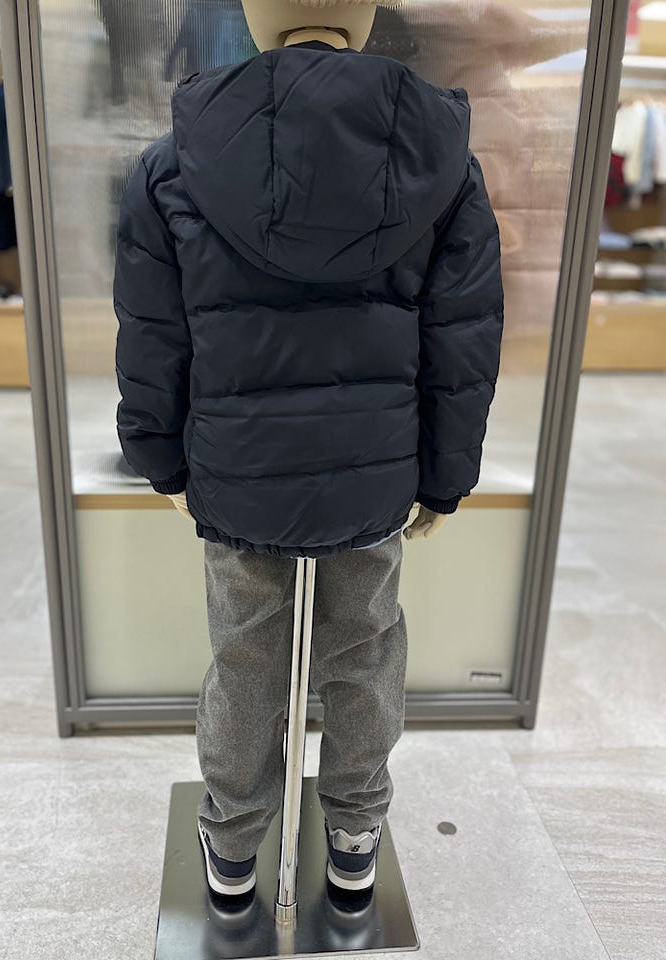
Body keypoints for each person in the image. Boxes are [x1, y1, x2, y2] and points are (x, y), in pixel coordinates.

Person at [113, 0, 504, 903]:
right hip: (377, 474)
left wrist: (160, 459)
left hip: (237, 470)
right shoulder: (440, 161)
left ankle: (234, 849)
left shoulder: (174, 161)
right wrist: (446, 479)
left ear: (259, 17)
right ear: (362, 17)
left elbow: (152, 334)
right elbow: (463, 339)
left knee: (247, 656)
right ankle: (355, 837)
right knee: (362, 649)